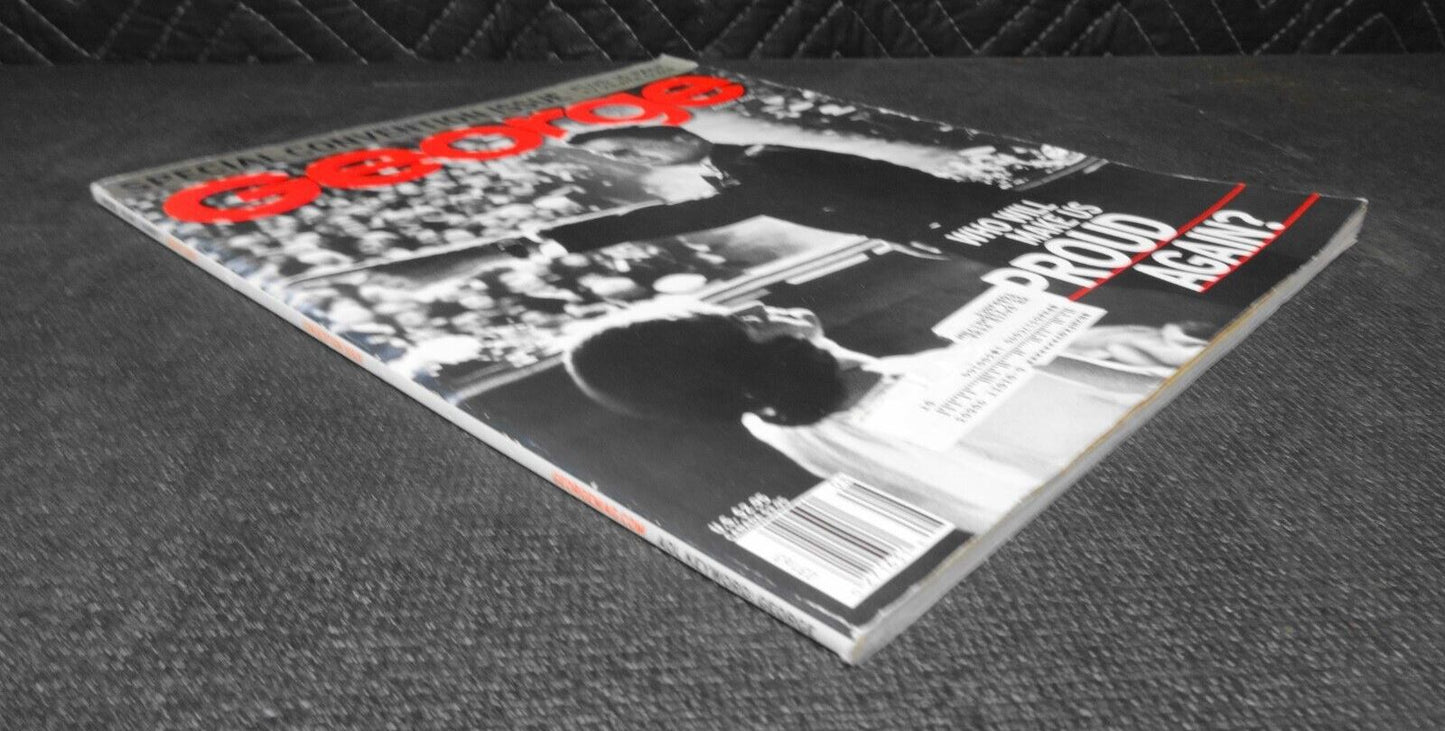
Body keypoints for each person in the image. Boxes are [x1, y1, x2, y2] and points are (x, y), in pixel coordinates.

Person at [564, 303, 1207, 534]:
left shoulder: (777, 423)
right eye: (745, 319)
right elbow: (1172, 382)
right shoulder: (969, 382)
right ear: (757, 346)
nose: (761, 307)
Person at [526, 126, 1018, 261]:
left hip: (958, 215)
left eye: (627, 149)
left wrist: (560, 239)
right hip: (945, 219)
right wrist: (893, 233)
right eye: (619, 159)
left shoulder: (753, 162)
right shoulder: (738, 162)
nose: (632, 162)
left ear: (677, 136)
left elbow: (685, 218)